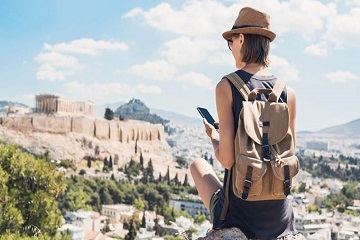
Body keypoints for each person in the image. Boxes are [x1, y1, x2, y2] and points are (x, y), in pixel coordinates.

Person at [190, 7, 304, 240]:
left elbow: (228, 160)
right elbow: (289, 154)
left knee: (196, 165)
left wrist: (215, 138)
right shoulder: (288, 92)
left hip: (240, 216)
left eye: (230, 41)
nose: (231, 47)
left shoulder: (227, 86)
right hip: (280, 218)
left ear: (241, 39)